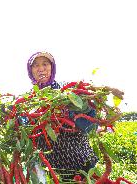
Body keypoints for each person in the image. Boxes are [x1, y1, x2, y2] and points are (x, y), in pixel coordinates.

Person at [27, 51, 124, 182]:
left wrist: (71, 113)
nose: (41, 69)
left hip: (80, 161)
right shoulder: (28, 100)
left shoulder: (68, 90)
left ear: (52, 67)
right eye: (36, 65)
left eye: (45, 64)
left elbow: (90, 126)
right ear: (30, 70)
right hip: (51, 168)